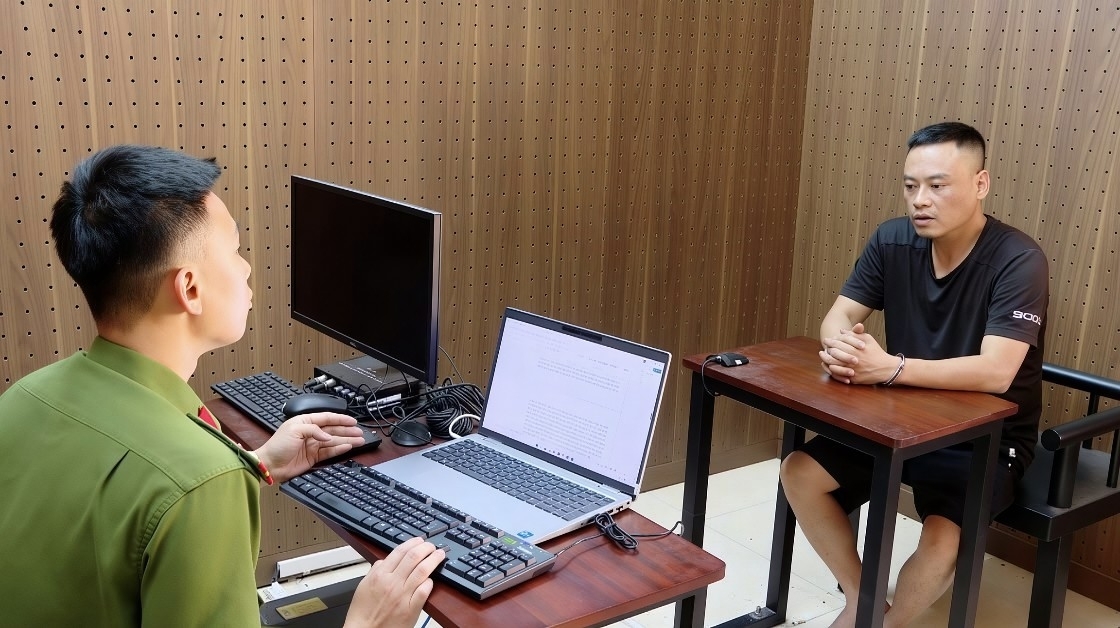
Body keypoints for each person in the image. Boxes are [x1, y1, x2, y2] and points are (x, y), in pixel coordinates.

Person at [0, 145, 444, 627]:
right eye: (234, 250)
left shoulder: (22, 400)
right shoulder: (200, 482)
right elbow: (180, 487)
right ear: (189, 288)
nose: (246, 267)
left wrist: (256, 464)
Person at [779, 122, 1048, 627]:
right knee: (800, 472)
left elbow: (996, 372)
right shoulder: (893, 239)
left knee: (943, 541)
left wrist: (890, 368)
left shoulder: (1019, 260)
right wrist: (842, 347)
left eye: (937, 185)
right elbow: (840, 315)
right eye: (910, 186)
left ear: (980, 184)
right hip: (901, 419)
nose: (920, 200)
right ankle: (862, 601)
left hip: (985, 437)